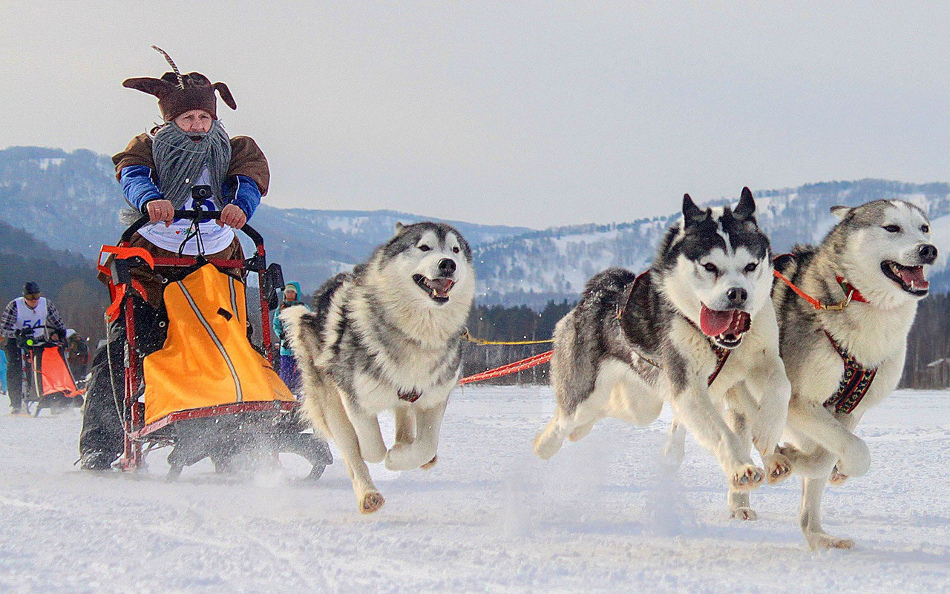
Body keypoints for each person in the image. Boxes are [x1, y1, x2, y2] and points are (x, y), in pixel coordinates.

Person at [79, 47, 270, 470]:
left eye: (204, 118)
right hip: (153, 263)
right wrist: (151, 200)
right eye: (189, 119)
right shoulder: (148, 146)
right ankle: (101, 443)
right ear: (171, 120)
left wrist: (241, 205)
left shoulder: (235, 147)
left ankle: (232, 439)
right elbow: (132, 173)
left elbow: (250, 177)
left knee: (233, 342)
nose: (198, 126)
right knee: (124, 348)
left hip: (218, 261)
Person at [0, 282, 67, 414]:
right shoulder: (15, 306)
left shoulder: (46, 304)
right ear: (24, 297)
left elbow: (58, 323)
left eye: (36, 297)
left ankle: (52, 397)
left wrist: (57, 334)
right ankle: (16, 403)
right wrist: (17, 334)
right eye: (30, 298)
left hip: (38, 339)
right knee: (15, 367)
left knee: (46, 366)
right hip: (17, 340)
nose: (33, 301)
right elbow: (4, 328)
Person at [272, 282, 309, 396]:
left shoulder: (303, 308)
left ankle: (301, 397)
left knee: (301, 375)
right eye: (287, 292)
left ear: (296, 293)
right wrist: (281, 335)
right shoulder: (281, 309)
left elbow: (308, 323)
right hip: (286, 348)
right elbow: (276, 325)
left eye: (292, 292)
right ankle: (286, 396)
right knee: (286, 375)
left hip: (299, 347)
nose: (289, 294)